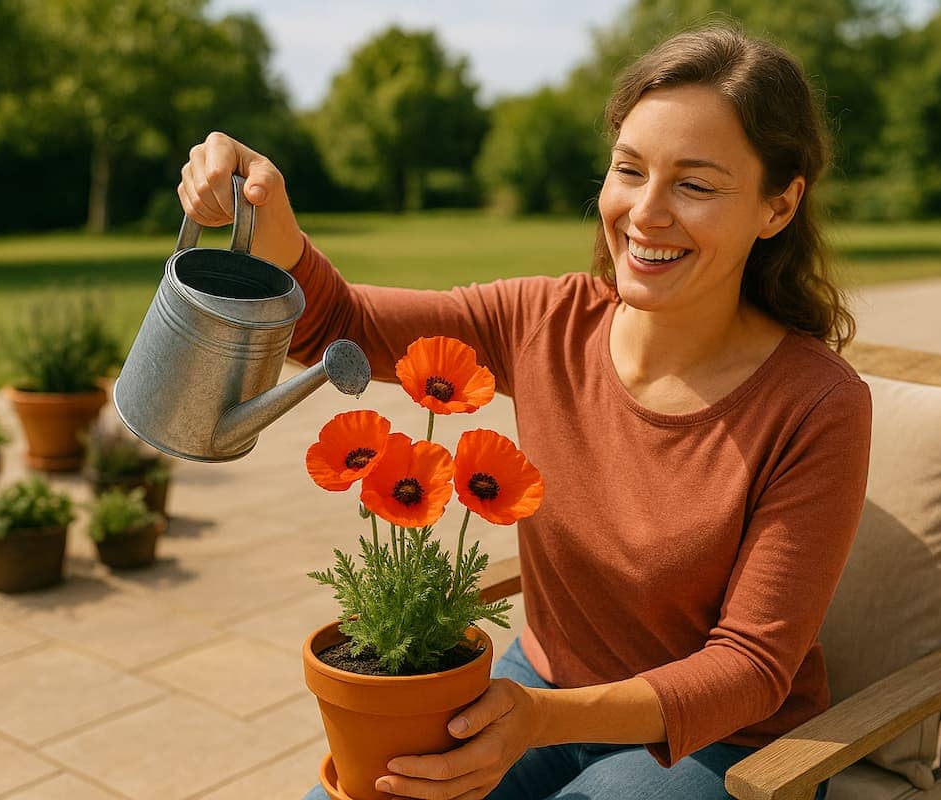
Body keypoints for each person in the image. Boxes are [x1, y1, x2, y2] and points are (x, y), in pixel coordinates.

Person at [179, 24, 869, 800]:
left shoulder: (818, 405)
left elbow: (751, 669)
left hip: (719, 745)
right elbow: (348, 329)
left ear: (779, 206)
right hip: (533, 691)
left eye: (696, 185)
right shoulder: (547, 320)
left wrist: (544, 719)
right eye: (630, 170)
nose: (646, 213)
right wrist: (278, 235)